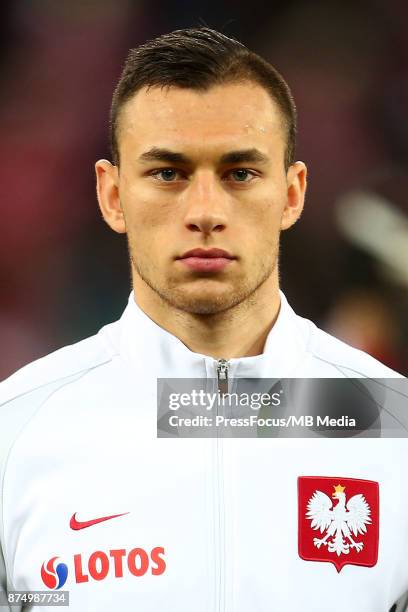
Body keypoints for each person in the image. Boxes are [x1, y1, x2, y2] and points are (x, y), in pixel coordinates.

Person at [0, 27, 407, 612]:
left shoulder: (394, 424)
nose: (206, 212)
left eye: (241, 173)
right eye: (168, 173)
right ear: (112, 196)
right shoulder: (18, 432)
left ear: (292, 194)